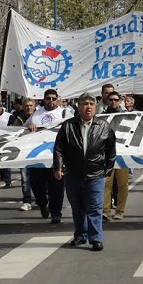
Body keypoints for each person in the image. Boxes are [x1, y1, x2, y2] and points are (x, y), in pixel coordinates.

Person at [53, 92, 116, 252]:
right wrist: (58, 167)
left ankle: (96, 239)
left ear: (95, 107)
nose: (88, 107)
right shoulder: (68, 126)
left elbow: (111, 150)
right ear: (79, 107)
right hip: (73, 173)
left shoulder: (103, 126)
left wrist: (107, 168)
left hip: (96, 174)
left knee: (95, 206)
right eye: (85, 104)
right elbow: (59, 149)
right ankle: (80, 235)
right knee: (77, 206)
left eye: (91, 104)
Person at [24, 89, 69, 223]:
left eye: (53, 98)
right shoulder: (36, 114)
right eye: (48, 98)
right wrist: (29, 127)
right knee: (36, 184)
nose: (51, 101)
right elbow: (22, 129)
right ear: (44, 99)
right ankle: (42, 204)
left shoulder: (64, 113)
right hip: (38, 156)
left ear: (57, 99)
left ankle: (56, 213)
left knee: (57, 186)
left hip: (57, 157)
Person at [100, 91, 129, 220]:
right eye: (111, 99)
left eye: (116, 99)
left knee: (122, 184)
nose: (113, 102)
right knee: (106, 184)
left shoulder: (128, 116)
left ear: (120, 101)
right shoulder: (102, 116)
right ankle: (106, 210)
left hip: (122, 154)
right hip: (107, 155)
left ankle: (120, 210)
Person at [13, 98, 37, 211]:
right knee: (25, 178)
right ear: (23, 107)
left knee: (40, 178)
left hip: (39, 152)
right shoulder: (18, 119)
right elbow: (13, 134)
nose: (28, 107)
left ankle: (44, 199)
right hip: (24, 153)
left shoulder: (40, 117)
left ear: (34, 106)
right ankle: (27, 200)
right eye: (26, 105)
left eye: (31, 105)